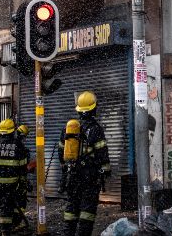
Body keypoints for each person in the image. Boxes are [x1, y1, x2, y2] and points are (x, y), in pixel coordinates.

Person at [62, 91, 111, 236]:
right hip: (89, 177)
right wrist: (105, 170)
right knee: (87, 211)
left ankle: (68, 233)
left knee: (71, 209)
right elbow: (102, 153)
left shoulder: (69, 129)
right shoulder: (95, 129)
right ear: (93, 109)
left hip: (72, 176)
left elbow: (61, 154)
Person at [12, 124, 32, 231]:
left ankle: (10, 222)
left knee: (10, 201)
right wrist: (26, 182)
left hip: (9, 180)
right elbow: (23, 169)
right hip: (18, 181)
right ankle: (16, 222)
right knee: (21, 201)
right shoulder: (21, 148)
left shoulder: (12, 144)